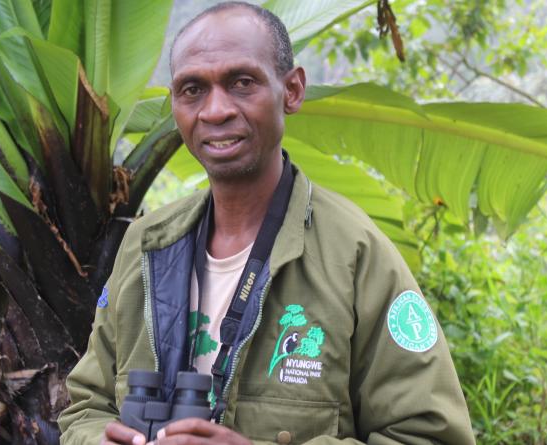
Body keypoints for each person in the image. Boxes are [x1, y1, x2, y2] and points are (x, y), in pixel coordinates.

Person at [58, 2, 475, 444]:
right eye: (192, 89)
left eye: (241, 83)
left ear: (291, 90)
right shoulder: (146, 244)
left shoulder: (354, 254)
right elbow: (87, 404)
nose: (215, 110)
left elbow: (432, 435)